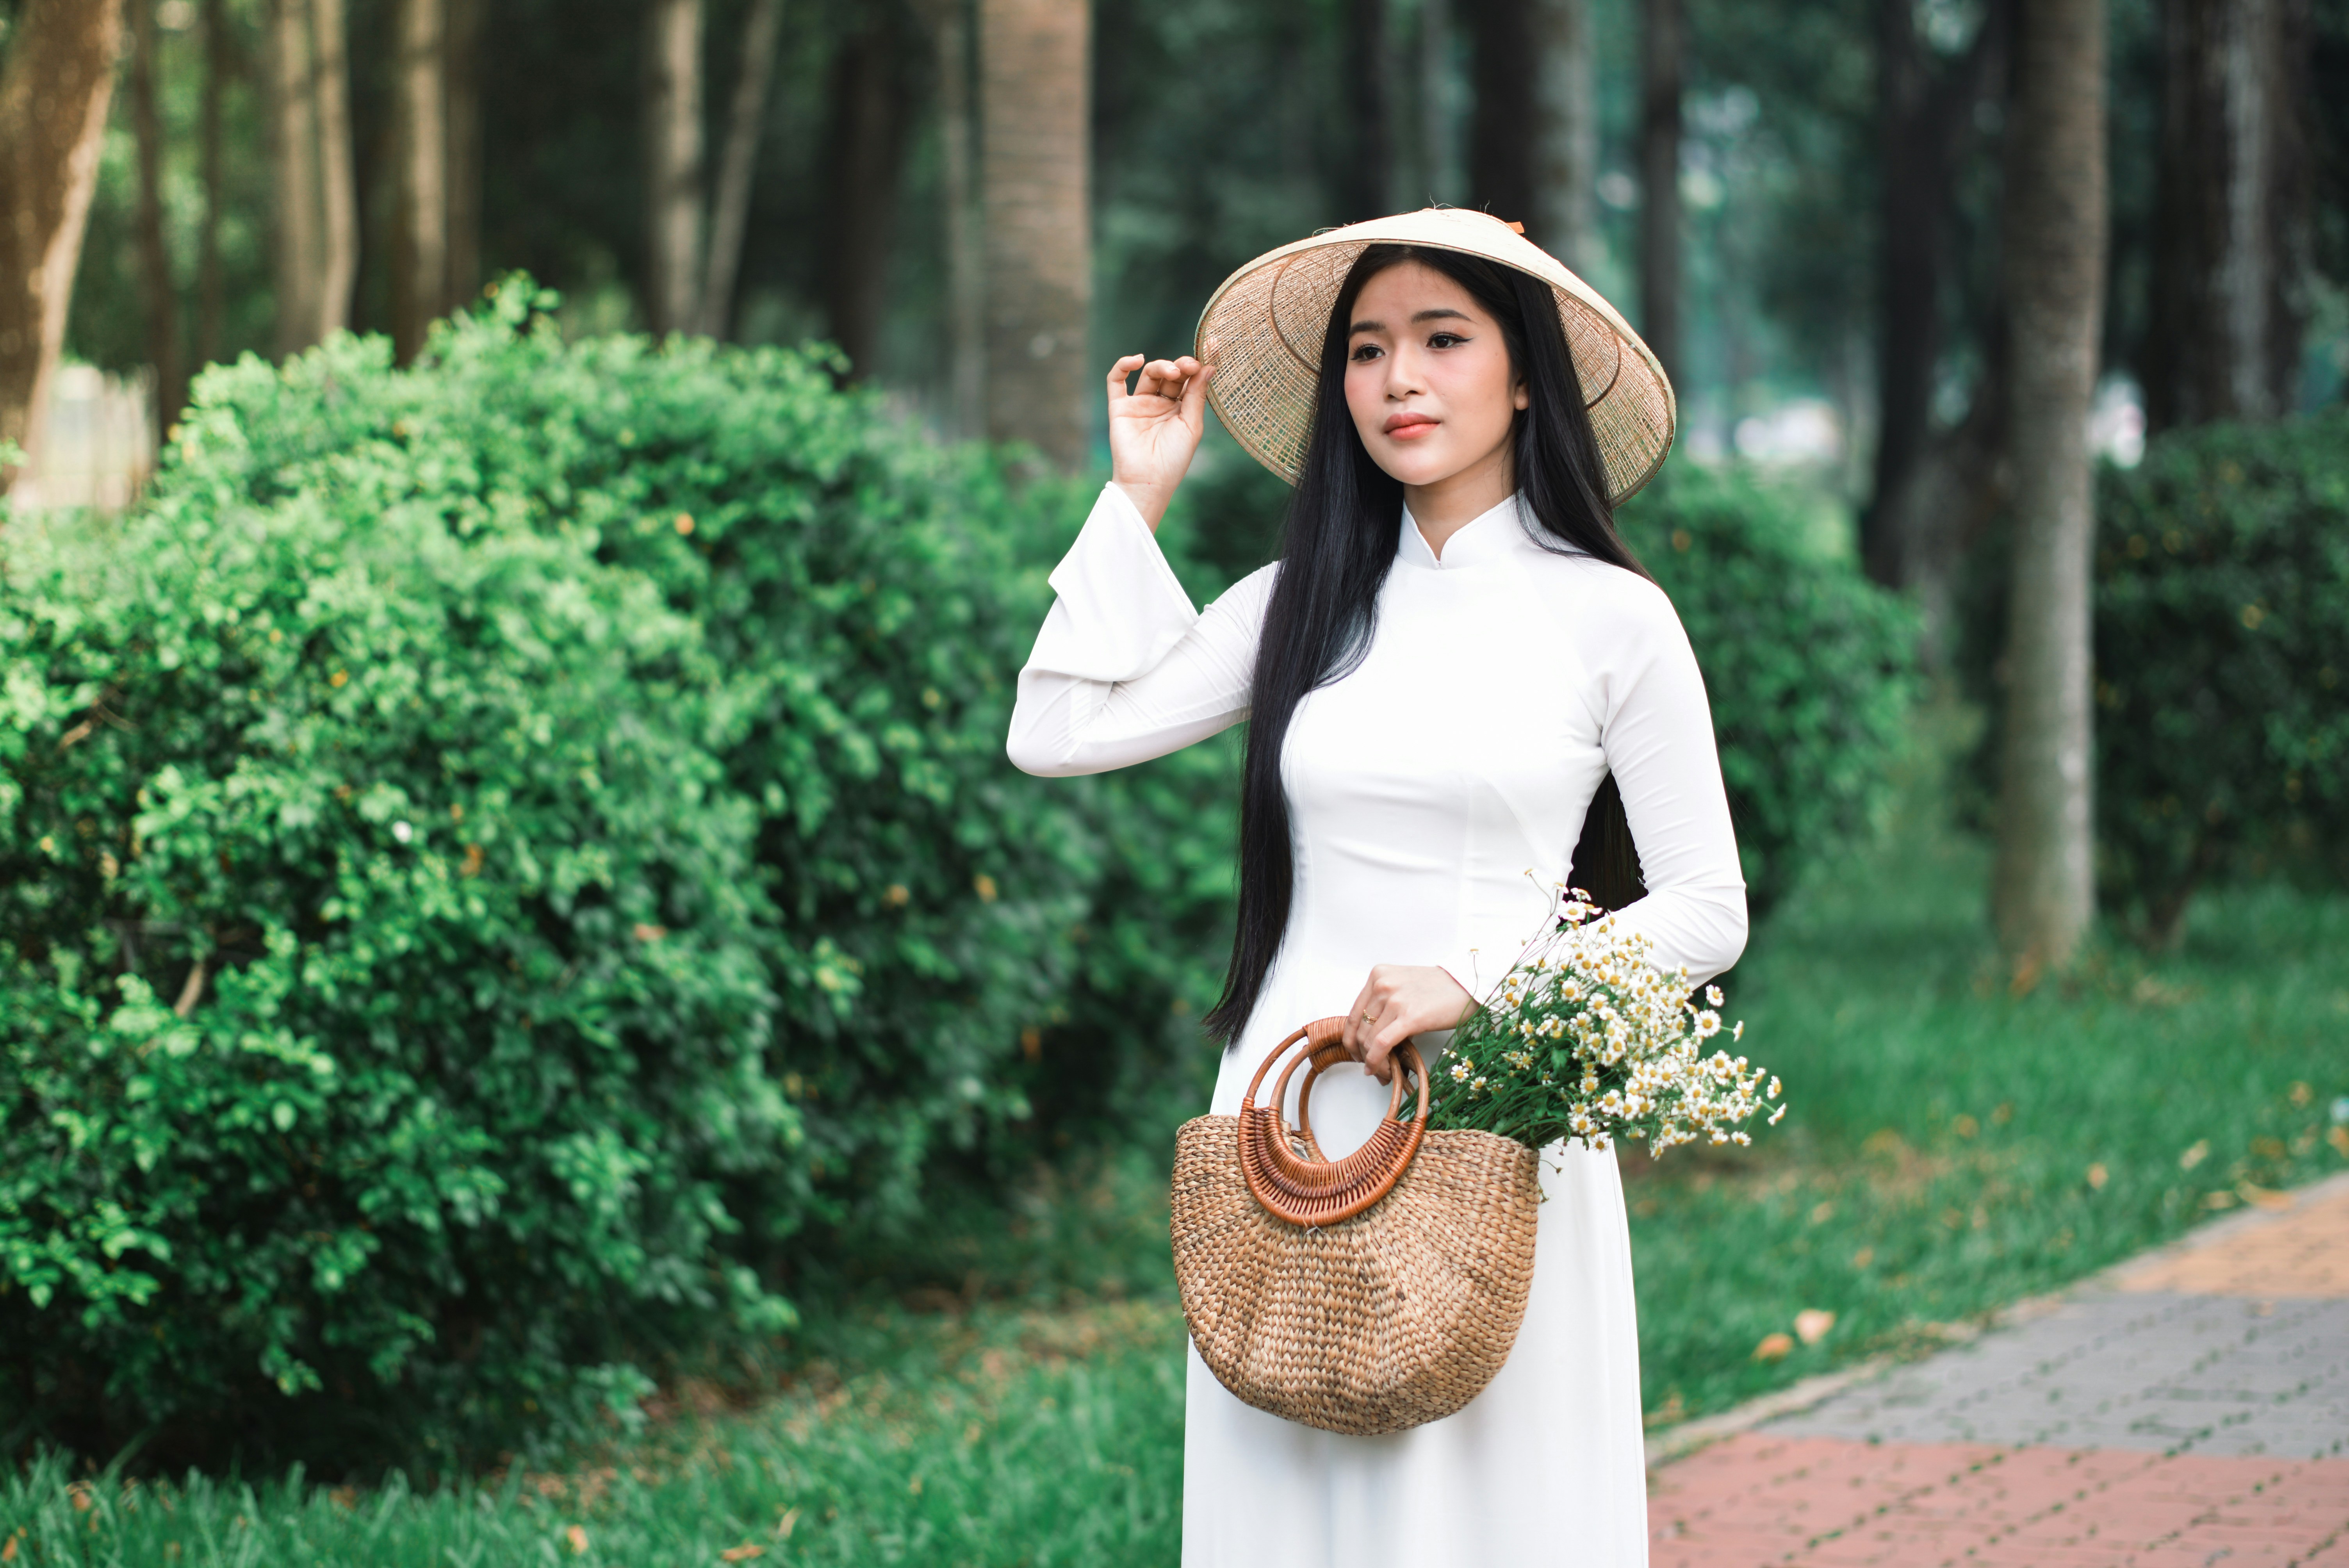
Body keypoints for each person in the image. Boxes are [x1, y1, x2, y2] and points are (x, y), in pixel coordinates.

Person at [1005, 208, 1747, 1567]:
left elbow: (1707, 904)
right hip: (1287, 1119)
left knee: (1495, 1514)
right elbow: (1054, 735)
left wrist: (1484, 990)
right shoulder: (1302, 602)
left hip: (1497, 1117)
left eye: (1442, 340)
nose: (1398, 378)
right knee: (1288, 1512)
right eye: (1366, 349)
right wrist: (1138, 494)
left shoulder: (1610, 618)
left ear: (1524, 374)